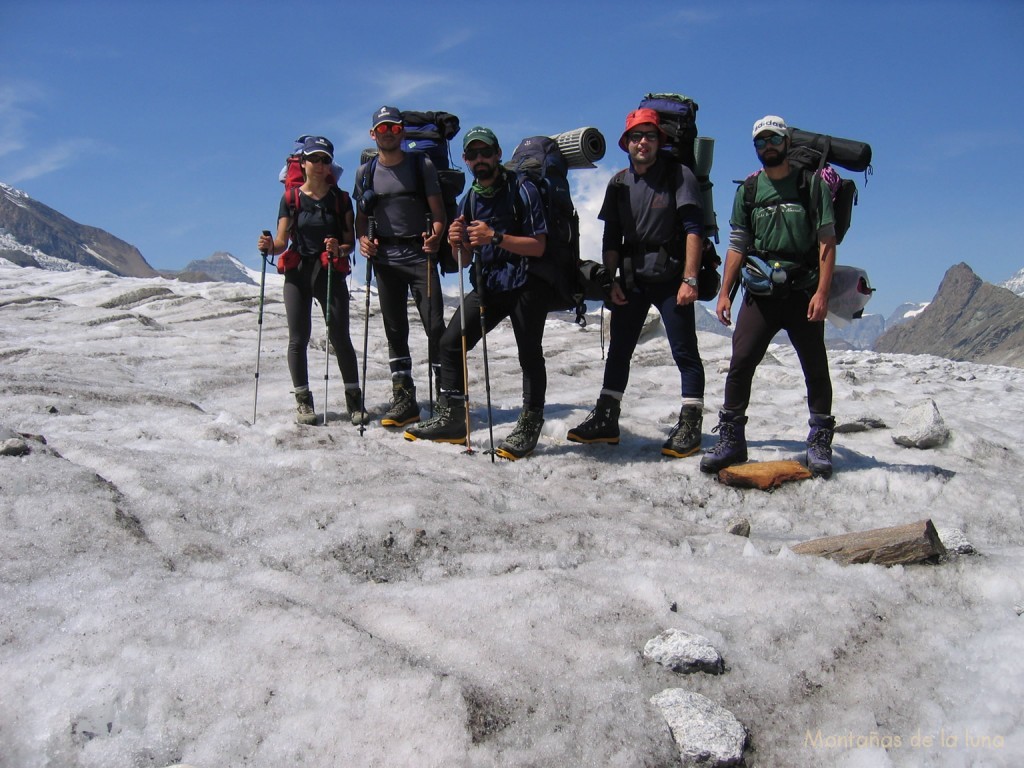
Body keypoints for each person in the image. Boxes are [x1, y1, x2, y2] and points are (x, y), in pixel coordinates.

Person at [700, 115, 837, 477]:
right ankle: (732, 439)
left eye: (774, 139)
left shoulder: (811, 186)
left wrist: (823, 292)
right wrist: (725, 293)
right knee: (741, 361)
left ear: (787, 142)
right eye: (761, 142)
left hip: (802, 290)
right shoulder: (748, 191)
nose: (768, 147)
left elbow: (826, 241)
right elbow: (738, 245)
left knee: (814, 365)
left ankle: (820, 440)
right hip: (760, 292)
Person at [404, 126, 551, 460]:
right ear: (467, 160)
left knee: (529, 353)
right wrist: (458, 242)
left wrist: (495, 237)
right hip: (490, 282)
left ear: (499, 154)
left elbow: (539, 246)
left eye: (487, 153)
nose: (480, 160)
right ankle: (454, 417)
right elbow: (465, 258)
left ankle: (530, 420)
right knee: (449, 342)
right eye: (473, 155)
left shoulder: (522, 189)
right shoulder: (471, 198)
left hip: (527, 281)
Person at [567, 108, 706, 458]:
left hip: (672, 277)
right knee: (620, 348)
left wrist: (690, 279)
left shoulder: (679, 175)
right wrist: (609, 280)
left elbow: (694, 229)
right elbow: (612, 237)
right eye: (635, 136)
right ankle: (607, 419)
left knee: (684, 349)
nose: (642, 142)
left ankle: (691, 422)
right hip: (631, 277)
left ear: (660, 140)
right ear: (625, 142)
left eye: (650, 135)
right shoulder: (618, 183)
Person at [256, 136, 367, 426]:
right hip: (299, 273)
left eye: (325, 160)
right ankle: (304, 402)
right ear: (302, 163)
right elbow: (282, 241)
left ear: (330, 164)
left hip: (329, 271)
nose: (319, 165)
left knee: (340, 336)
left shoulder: (341, 200)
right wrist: (270, 246)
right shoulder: (291, 199)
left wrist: (338, 249)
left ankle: (355, 400)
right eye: (314, 159)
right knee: (298, 338)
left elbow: (349, 243)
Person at [354, 106, 447, 428]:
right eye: (382, 129)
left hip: (420, 257)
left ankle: (446, 396)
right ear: (373, 134)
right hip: (385, 261)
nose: (388, 133)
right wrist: (362, 241)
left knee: (435, 327)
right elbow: (361, 220)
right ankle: (404, 399)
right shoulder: (364, 173)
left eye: (393, 128)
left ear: (402, 131)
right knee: (395, 331)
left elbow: (438, 213)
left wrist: (436, 238)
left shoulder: (422, 166)